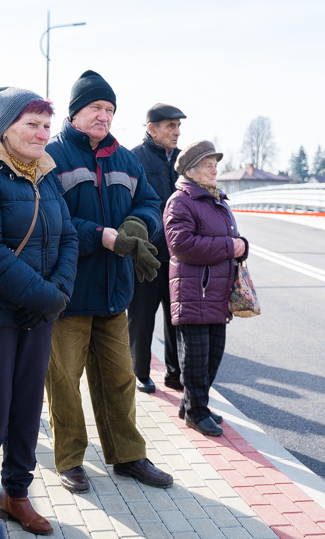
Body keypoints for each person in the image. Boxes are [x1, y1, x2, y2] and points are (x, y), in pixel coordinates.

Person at [0, 87, 78, 534]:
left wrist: (55, 293)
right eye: (32, 124)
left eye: (47, 125)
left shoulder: (45, 172)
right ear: (5, 127)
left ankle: (15, 494)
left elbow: (68, 238)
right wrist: (44, 297)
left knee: (26, 407)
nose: (43, 133)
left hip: (37, 311)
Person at [44, 70, 173, 493]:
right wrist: (99, 235)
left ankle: (128, 455)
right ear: (75, 112)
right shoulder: (53, 155)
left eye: (110, 110)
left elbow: (151, 203)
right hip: (68, 292)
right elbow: (52, 219)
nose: (104, 116)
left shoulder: (126, 159)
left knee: (119, 378)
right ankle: (70, 460)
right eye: (96, 108)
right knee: (64, 380)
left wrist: (139, 224)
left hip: (115, 291)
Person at [164, 140, 248, 437]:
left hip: (216, 293)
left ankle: (192, 404)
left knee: (213, 355)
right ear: (191, 170)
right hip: (194, 292)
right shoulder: (180, 201)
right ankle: (196, 413)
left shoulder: (217, 199)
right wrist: (230, 246)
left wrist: (242, 246)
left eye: (215, 163)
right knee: (196, 359)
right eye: (208, 164)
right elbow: (182, 246)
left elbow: (230, 238)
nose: (215, 169)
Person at [129, 103, 186, 393]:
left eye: (178, 126)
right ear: (151, 129)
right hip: (147, 256)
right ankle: (140, 372)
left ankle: (175, 373)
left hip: (179, 257)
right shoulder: (133, 159)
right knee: (141, 317)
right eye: (170, 126)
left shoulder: (183, 161)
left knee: (177, 317)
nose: (176, 132)